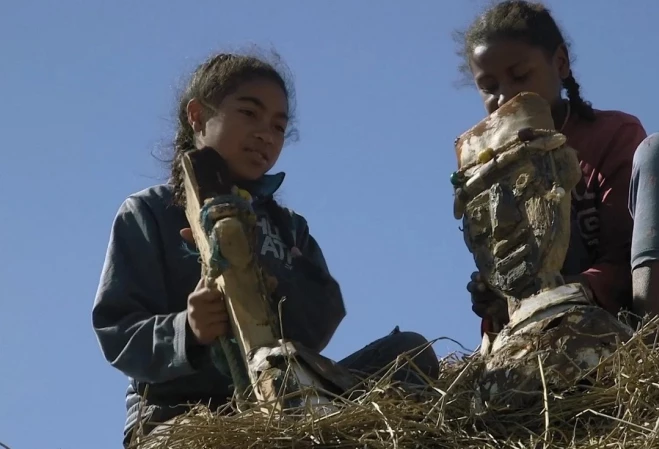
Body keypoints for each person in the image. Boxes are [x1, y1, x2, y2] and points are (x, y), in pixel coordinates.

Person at [91, 50, 439, 447]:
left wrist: (279, 286)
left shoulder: (288, 228)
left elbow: (323, 317)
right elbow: (117, 332)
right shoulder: (149, 212)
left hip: (286, 400)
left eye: (278, 126)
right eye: (249, 114)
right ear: (198, 116)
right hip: (178, 418)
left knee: (408, 353)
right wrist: (188, 329)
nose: (265, 135)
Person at [459, 1, 659, 331]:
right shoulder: (494, 176)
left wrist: (570, 292)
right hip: (573, 331)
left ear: (559, 63)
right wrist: (499, 300)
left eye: (519, 76)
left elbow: (623, 257)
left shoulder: (612, 134)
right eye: (489, 88)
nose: (504, 97)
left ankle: (653, 341)